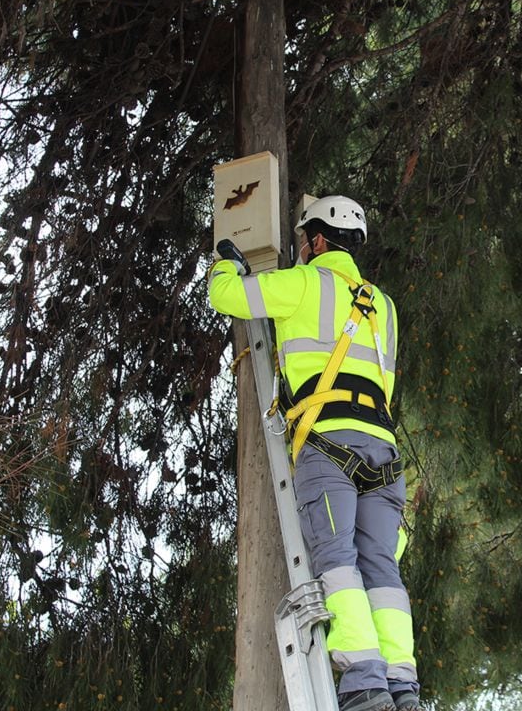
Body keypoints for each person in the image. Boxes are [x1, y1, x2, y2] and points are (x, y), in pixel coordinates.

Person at [208, 195, 420, 711]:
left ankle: (365, 687)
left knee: (337, 563)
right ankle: (403, 688)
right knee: (382, 573)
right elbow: (385, 385)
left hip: (329, 447)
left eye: (304, 239)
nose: (301, 247)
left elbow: (231, 297)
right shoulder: (385, 307)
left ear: (318, 240)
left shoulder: (304, 282)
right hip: (383, 455)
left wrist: (223, 265)